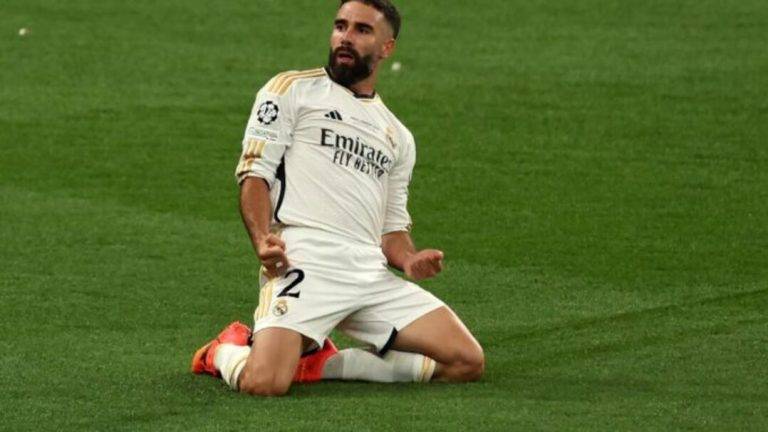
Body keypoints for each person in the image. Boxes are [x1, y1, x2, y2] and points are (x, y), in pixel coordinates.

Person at [191, 0, 484, 396]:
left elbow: (391, 228)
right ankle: (224, 350)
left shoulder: (397, 136)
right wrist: (261, 238)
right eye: (340, 26)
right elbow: (255, 174)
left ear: (387, 47)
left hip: (368, 272)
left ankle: (324, 364)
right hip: (304, 259)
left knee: (466, 361)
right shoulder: (292, 90)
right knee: (265, 383)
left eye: (362, 30)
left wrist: (409, 259)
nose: (346, 37)